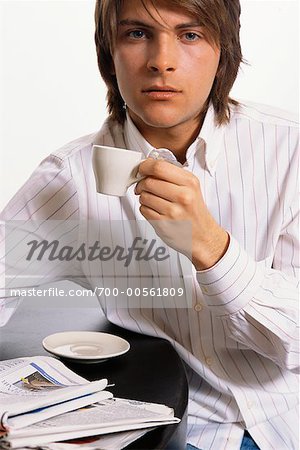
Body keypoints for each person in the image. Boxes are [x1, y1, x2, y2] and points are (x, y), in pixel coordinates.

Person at [0, 0, 299, 449]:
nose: (162, 60)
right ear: (109, 51)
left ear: (225, 51)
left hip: (287, 417)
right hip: (177, 426)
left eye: (190, 35)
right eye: (137, 34)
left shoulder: (290, 150)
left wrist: (212, 247)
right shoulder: (69, 178)